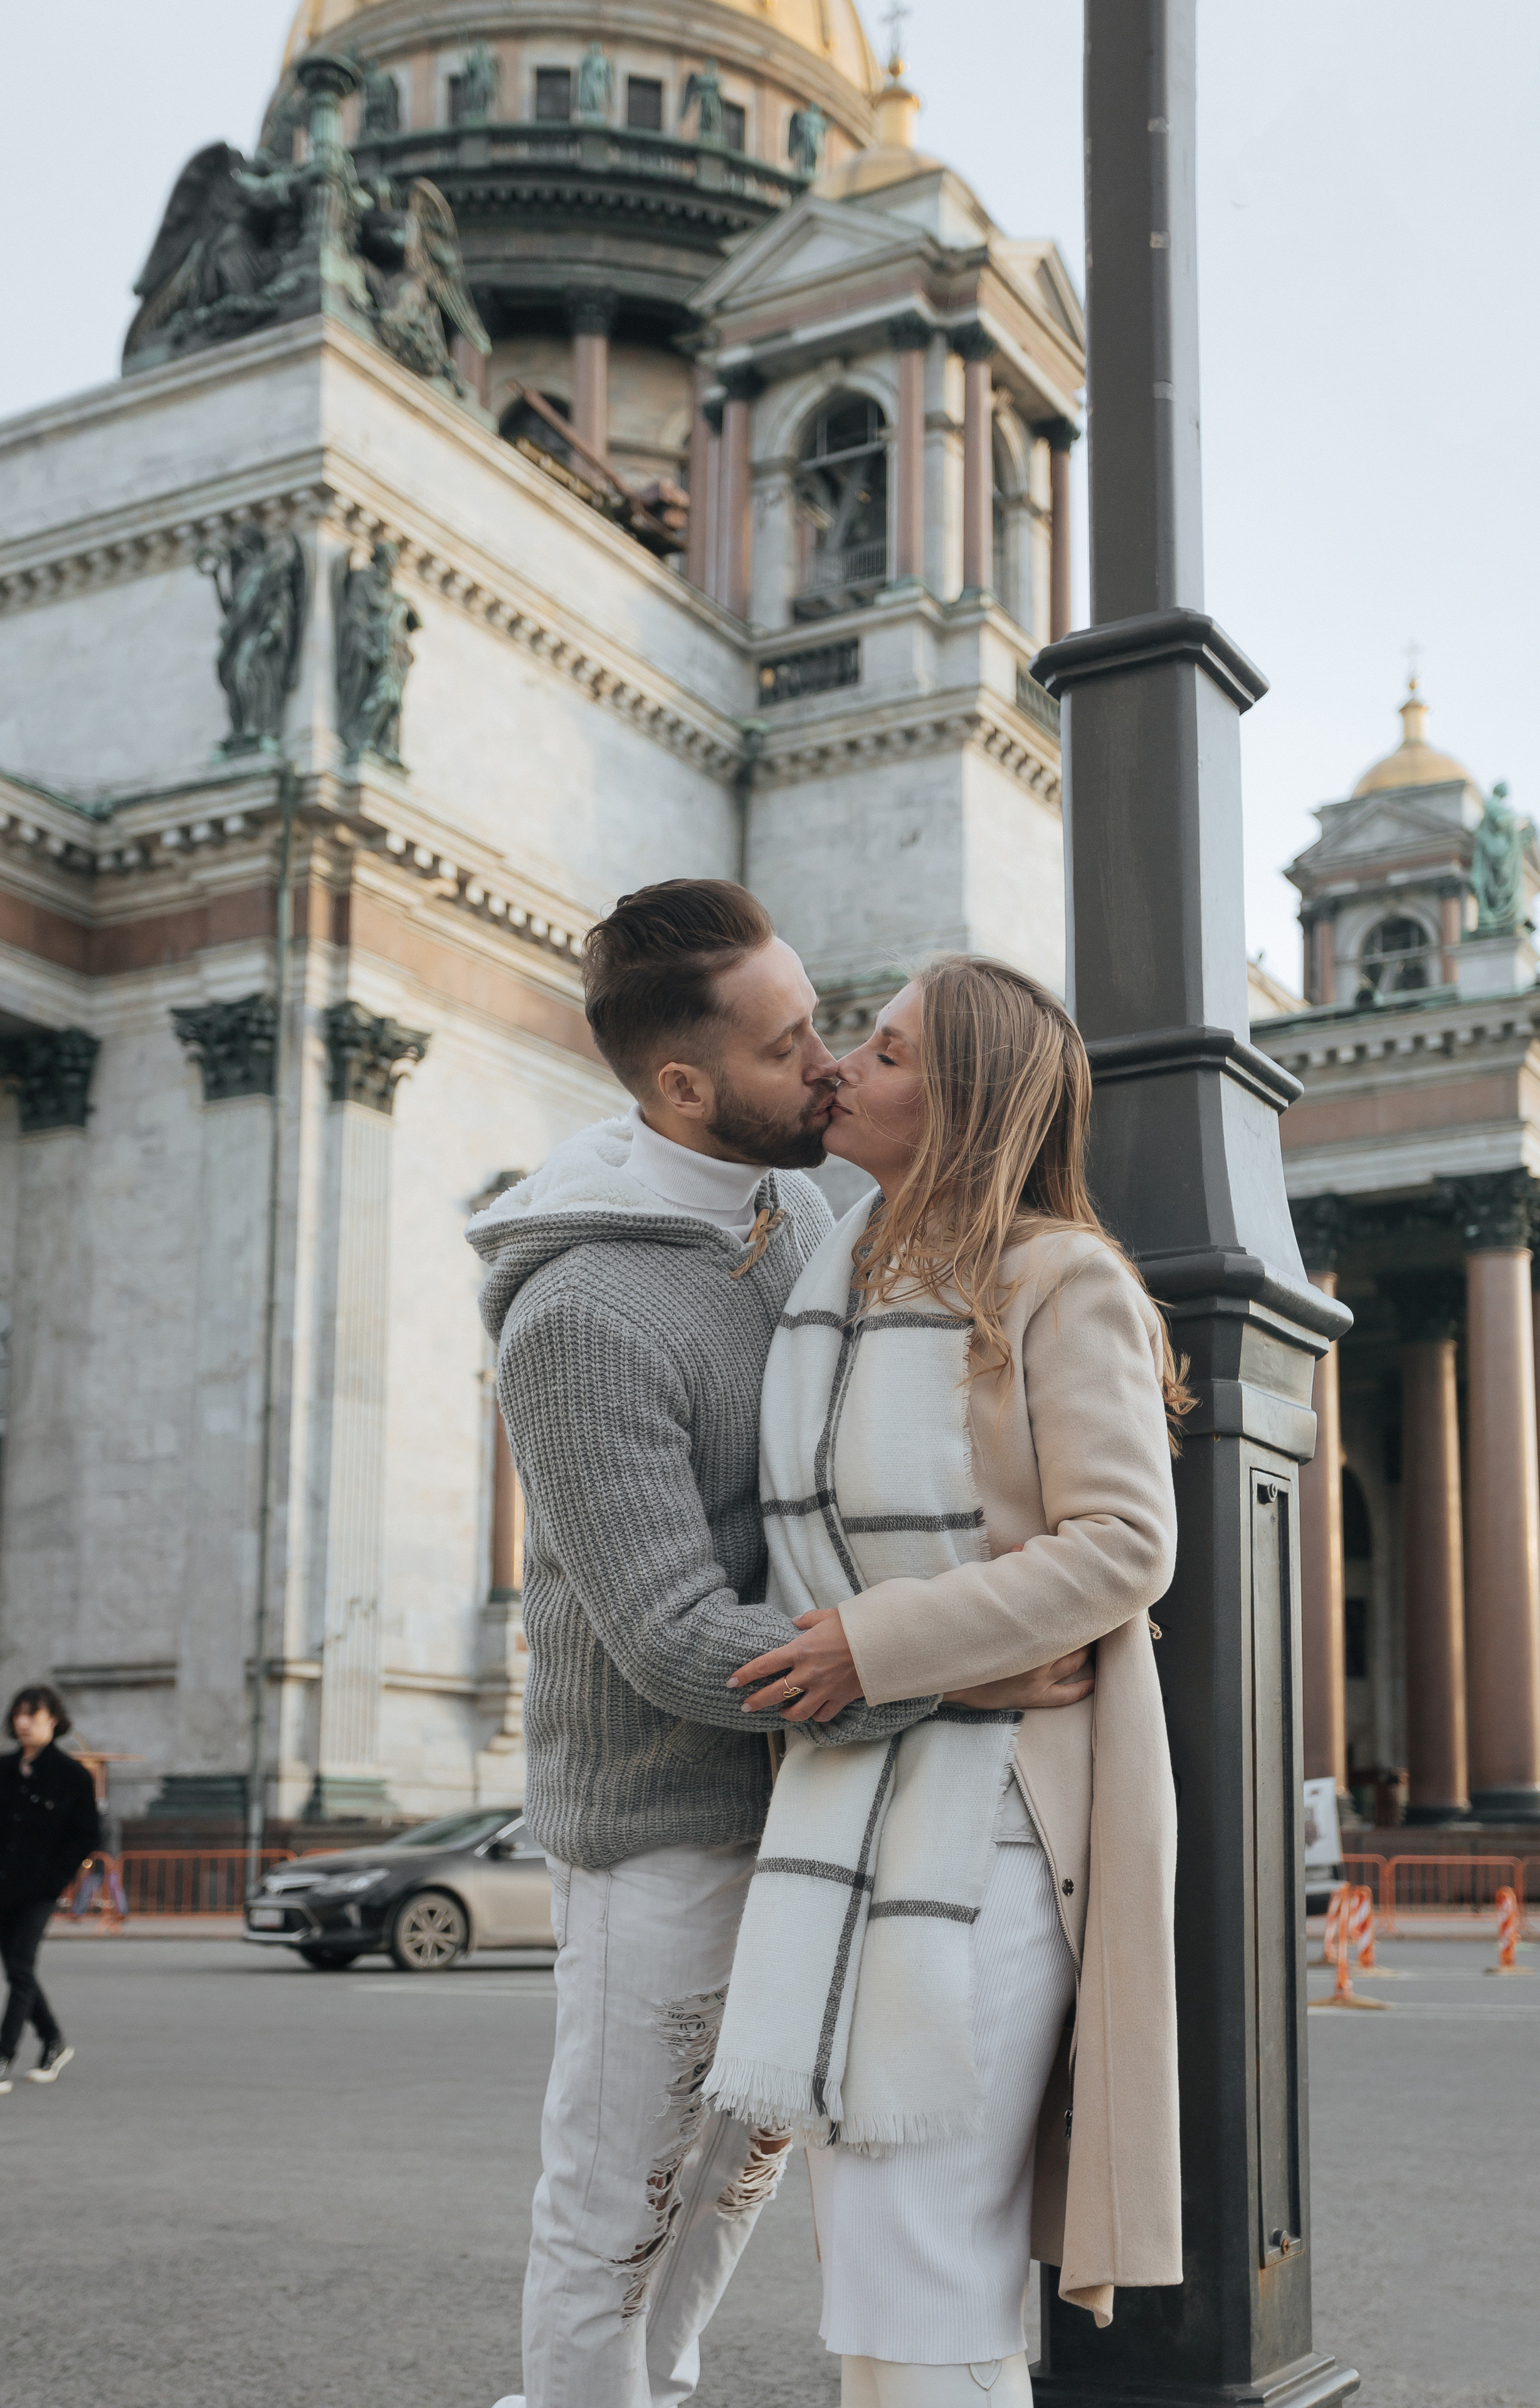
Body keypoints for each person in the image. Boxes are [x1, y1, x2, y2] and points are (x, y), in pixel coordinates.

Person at [467, 884, 1093, 2408]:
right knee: (612, 2198)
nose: (826, 1061)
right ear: (681, 1086)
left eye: (826, 1019)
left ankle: (656, 2384)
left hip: (814, 1799)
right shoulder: (581, 1313)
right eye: (788, 1039)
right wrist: (952, 1667)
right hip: (666, 1819)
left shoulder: (801, 1214)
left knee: (738, 2165)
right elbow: (678, 1642)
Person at [709, 956, 1186, 2408]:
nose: (844, 1065)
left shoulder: (1059, 1277)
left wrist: (878, 1646)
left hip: (988, 1824)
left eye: (890, 1050)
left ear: (970, 1102)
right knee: (883, 2250)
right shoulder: (834, 1278)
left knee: (917, 2242)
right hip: (853, 1808)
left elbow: (1125, 1541)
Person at [0, 1683, 100, 2096]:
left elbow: (85, 1836)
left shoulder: (72, 1776)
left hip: (40, 1888)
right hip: (1, 1884)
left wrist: (56, 1878)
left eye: (32, 1715)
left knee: (21, 1965)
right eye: (18, 1715)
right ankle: (54, 2042)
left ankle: (0, 2061)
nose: (22, 1723)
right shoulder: (0, 1769)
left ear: (54, 1721)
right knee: (16, 1968)